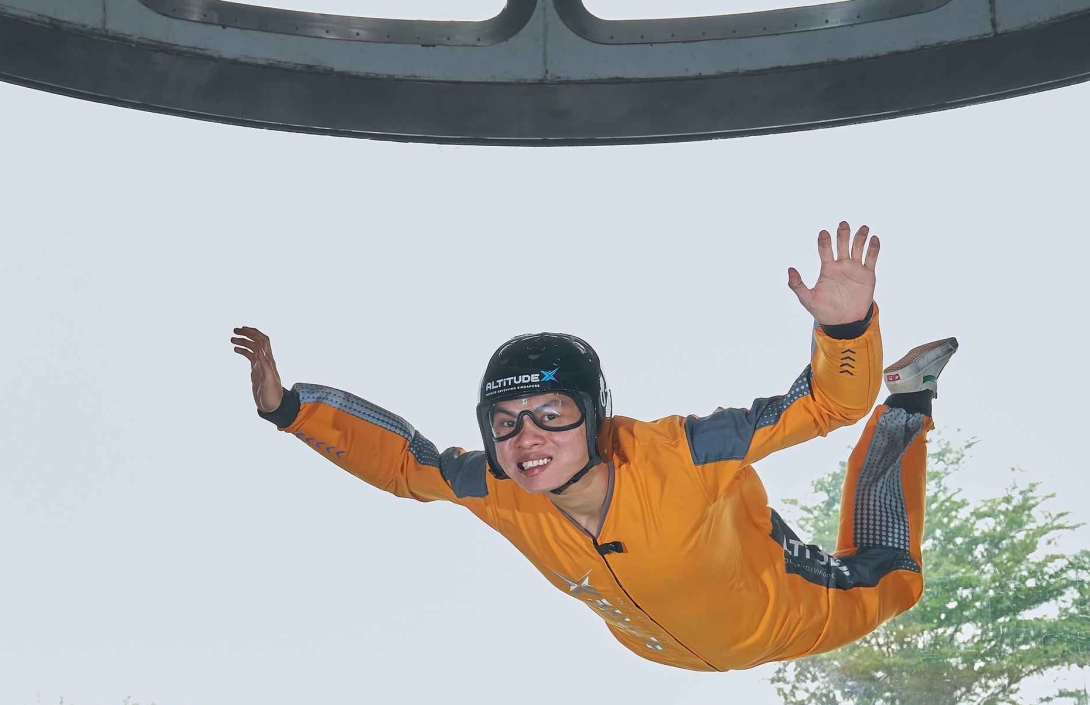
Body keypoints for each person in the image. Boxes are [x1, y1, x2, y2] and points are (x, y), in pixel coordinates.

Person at [231, 221, 956, 673]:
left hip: (785, 611)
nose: (527, 439)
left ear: (594, 416)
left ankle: (908, 400)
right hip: (661, 648)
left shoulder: (683, 453)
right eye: (505, 422)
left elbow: (827, 404)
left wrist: (845, 329)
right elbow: (402, 462)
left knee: (896, 577)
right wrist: (289, 410)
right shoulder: (498, 488)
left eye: (551, 415)